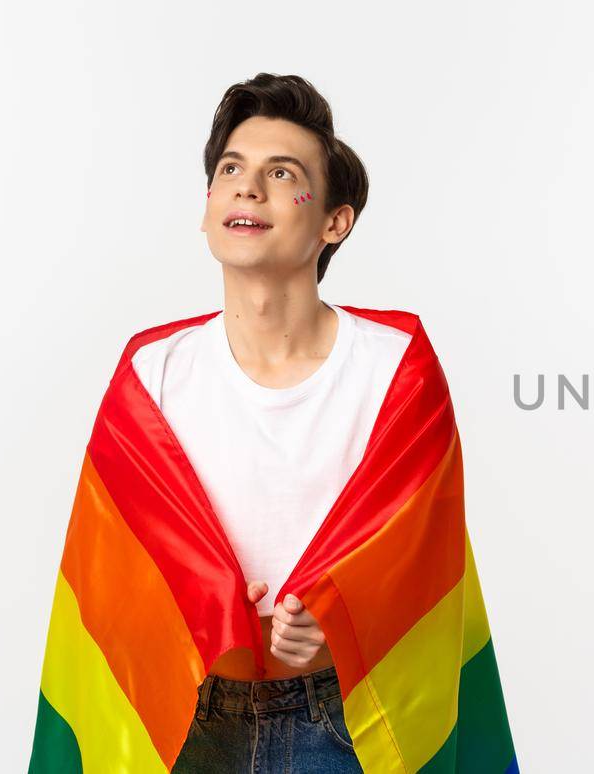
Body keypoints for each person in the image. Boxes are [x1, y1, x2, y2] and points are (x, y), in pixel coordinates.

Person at [128, 72, 395, 772]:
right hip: (188, 721)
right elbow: (115, 564)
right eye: (231, 170)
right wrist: (198, 600)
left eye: (282, 173)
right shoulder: (150, 371)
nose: (247, 188)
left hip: (345, 722)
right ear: (209, 204)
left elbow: (427, 561)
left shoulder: (395, 367)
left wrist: (344, 621)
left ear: (335, 221)